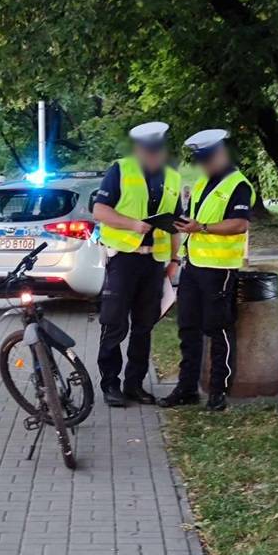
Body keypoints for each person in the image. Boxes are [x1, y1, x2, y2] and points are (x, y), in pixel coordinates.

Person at [158, 129, 253, 412]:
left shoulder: (239, 184)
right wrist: (184, 223)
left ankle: (218, 390)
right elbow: (198, 218)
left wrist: (203, 228)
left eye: (207, 158)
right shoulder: (202, 183)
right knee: (188, 327)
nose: (203, 164)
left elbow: (240, 224)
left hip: (219, 269)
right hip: (194, 265)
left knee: (218, 328)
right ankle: (187, 387)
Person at [92, 121, 183, 407]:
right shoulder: (120, 169)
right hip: (123, 259)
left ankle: (135, 385)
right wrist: (132, 224)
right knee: (114, 324)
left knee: (144, 327)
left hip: (154, 262)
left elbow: (176, 223)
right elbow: (99, 210)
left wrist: (174, 260)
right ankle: (110, 385)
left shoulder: (172, 177)